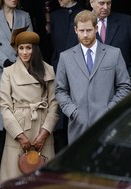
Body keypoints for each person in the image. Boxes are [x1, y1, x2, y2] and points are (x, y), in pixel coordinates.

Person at [55, 10, 131, 145]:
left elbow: (125, 87)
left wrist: (110, 110)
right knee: (78, 164)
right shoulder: (65, 57)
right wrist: (73, 112)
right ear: (75, 30)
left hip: (108, 124)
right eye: (81, 30)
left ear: (96, 28)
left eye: (89, 30)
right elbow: (60, 90)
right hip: (78, 126)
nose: (85, 35)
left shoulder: (114, 53)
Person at [0, 31, 59, 181]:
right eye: (21, 48)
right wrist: (19, 135)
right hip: (18, 131)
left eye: (28, 48)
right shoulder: (8, 72)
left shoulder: (48, 70)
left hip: (42, 130)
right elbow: (4, 107)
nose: (24, 52)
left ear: (35, 49)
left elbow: (54, 103)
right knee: (14, 182)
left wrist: (44, 133)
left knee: (42, 182)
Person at [0, 0, 33, 176]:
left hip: (21, 71)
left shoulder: (24, 16)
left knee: (18, 117)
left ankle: (17, 163)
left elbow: (30, 40)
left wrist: (20, 61)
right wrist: (7, 62)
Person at [50, 0, 83, 153]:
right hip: (59, 69)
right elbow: (53, 45)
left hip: (80, 69)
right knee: (60, 116)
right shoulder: (55, 16)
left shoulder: (83, 12)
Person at [89, 0, 131, 88]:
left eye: (108, 3)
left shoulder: (125, 21)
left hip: (121, 87)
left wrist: (130, 78)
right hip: (91, 88)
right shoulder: (81, 23)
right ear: (91, 2)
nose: (106, 7)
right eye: (101, 3)